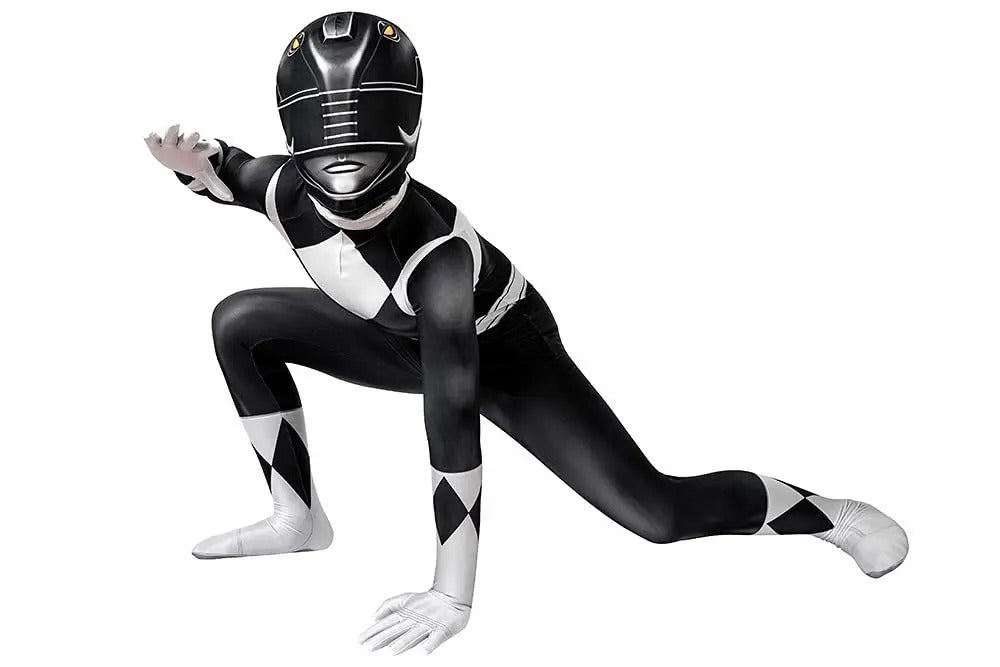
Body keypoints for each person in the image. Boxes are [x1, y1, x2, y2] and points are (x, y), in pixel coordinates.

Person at [145, 11, 908, 655]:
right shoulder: (282, 187)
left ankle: (834, 514)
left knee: (658, 512)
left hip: (506, 354)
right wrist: (191, 168)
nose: (343, 177)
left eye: (363, 154)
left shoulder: (438, 263)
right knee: (239, 321)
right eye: (327, 156)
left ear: (405, 138)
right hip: (398, 335)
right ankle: (299, 516)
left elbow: (452, 419)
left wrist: (452, 590)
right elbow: (227, 173)